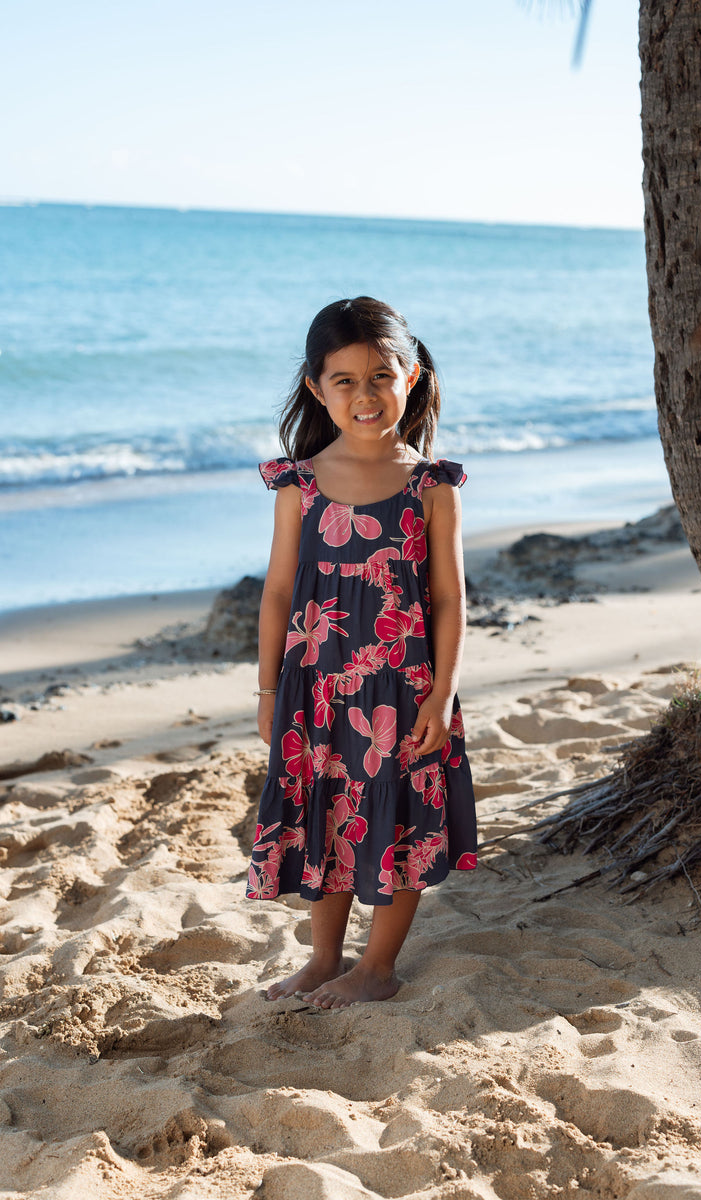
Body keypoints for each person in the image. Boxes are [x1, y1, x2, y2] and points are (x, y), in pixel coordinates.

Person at [246, 296, 477, 1009]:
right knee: (328, 814)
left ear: (412, 377)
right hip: (316, 688)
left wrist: (441, 693)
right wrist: (265, 693)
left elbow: (449, 600)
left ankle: (377, 967)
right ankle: (323, 959)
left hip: (406, 692)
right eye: (344, 380)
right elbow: (278, 594)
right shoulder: (300, 485)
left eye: (381, 375)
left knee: (398, 818)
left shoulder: (430, 486)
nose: (365, 395)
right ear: (317, 388)